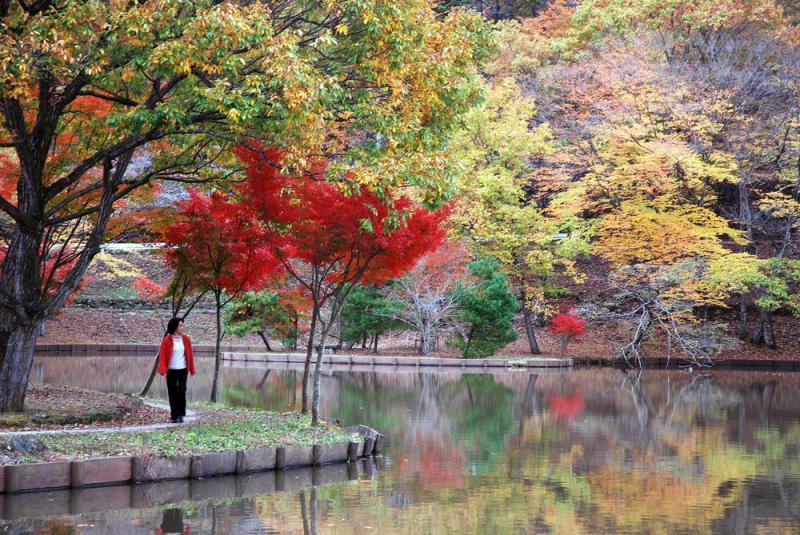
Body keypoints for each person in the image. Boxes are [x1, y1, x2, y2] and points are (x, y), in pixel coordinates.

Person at [158, 317, 195, 423]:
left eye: (183, 325)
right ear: (174, 326)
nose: (182, 327)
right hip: (171, 371)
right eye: (180, 325)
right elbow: (163, 356)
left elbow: (190, 355)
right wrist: (163, 370)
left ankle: (181, 414)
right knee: (172, 392)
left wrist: (191, 369)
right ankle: (174, 415)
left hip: (183, 369)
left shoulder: (186, 339)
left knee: (182, 390)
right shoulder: (167, 340)